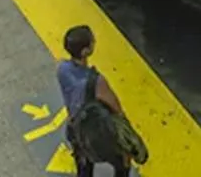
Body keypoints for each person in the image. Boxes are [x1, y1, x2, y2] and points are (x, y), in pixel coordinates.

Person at [59, 25, 145, 177]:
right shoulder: (97, 81)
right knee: (123, 161)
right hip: (97, 135)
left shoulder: (62, 69)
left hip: (76, 130)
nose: (94, 42)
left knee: (84, 164)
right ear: (85, 51)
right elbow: (116, 109)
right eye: (92, 41)